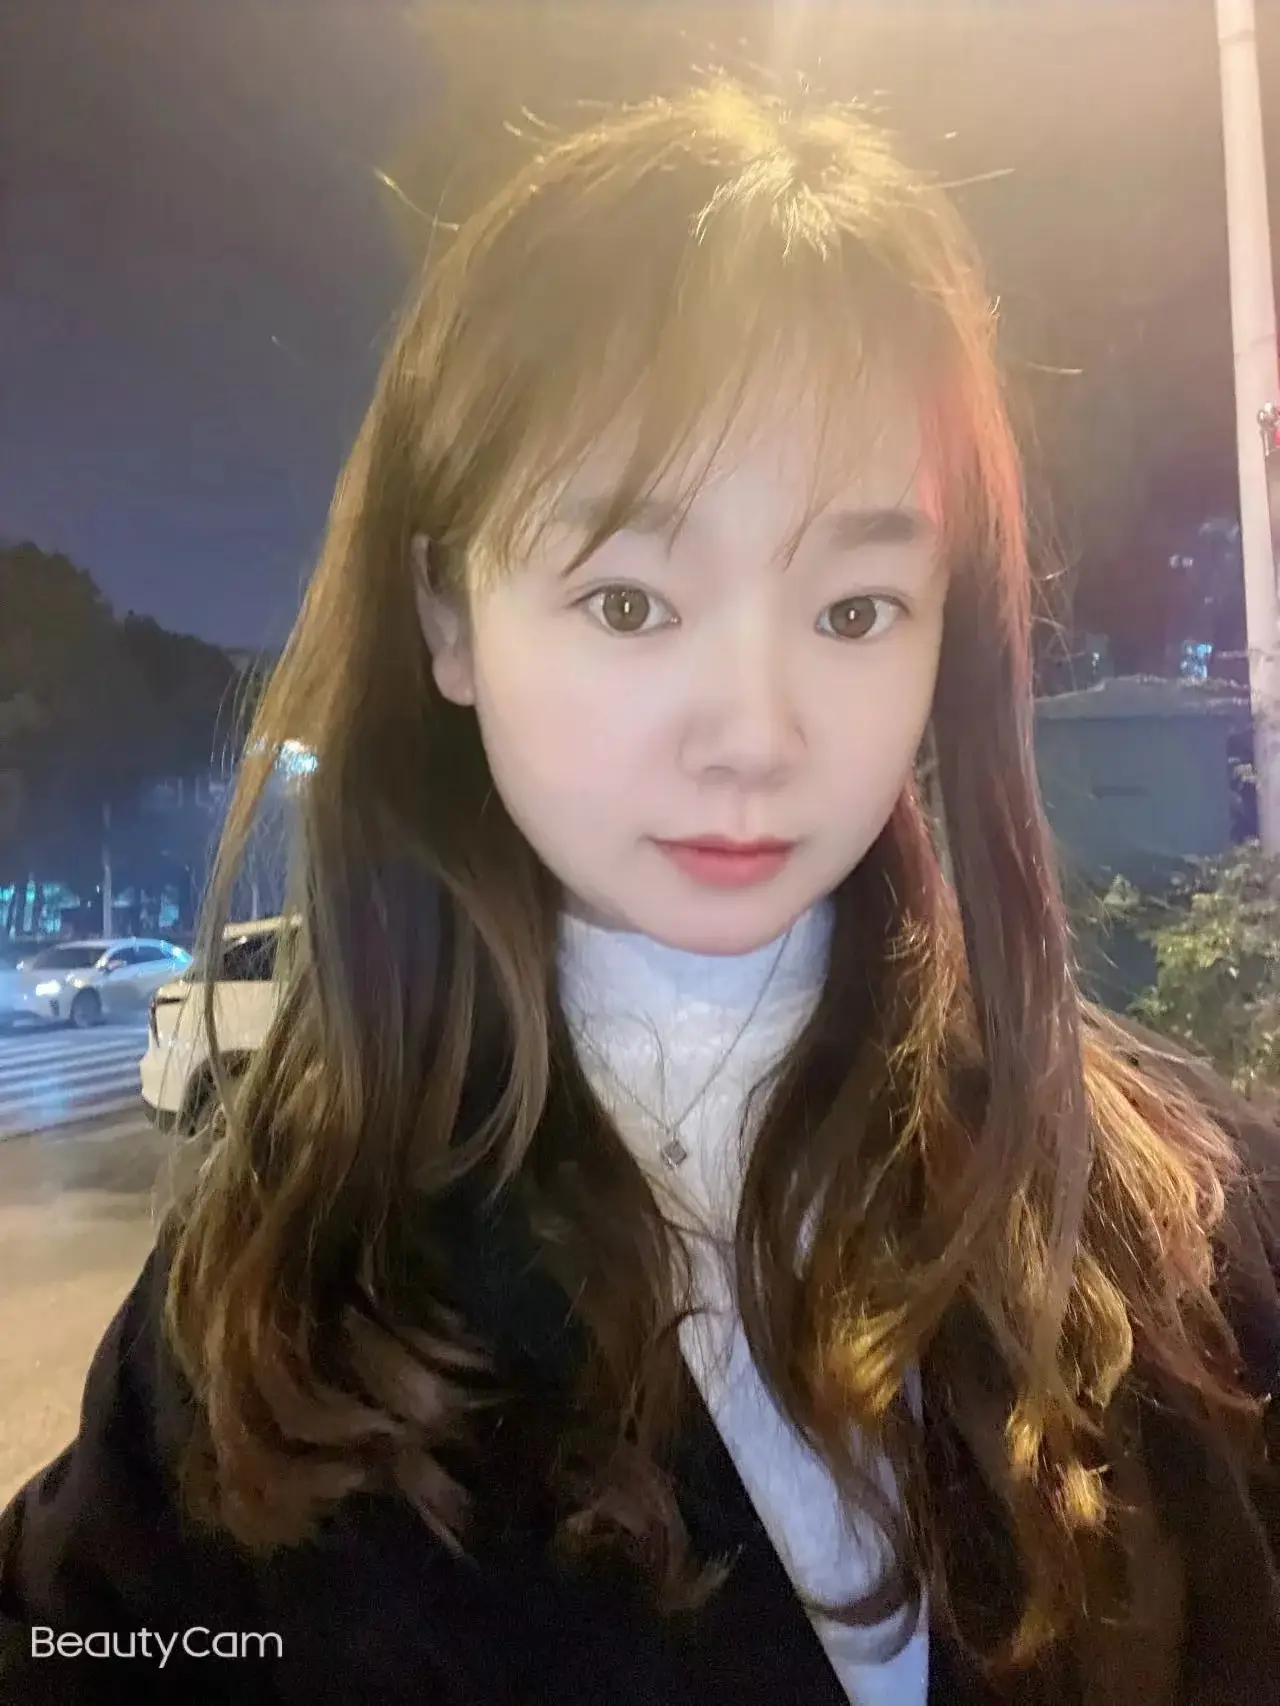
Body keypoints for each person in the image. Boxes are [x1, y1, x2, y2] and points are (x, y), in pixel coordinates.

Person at [2, 79, 1279, 1706]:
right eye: (628, 601)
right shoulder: (271, 1309)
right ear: (448, 617)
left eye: (854, 609)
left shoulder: (1185, 1220)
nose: (753, 733)